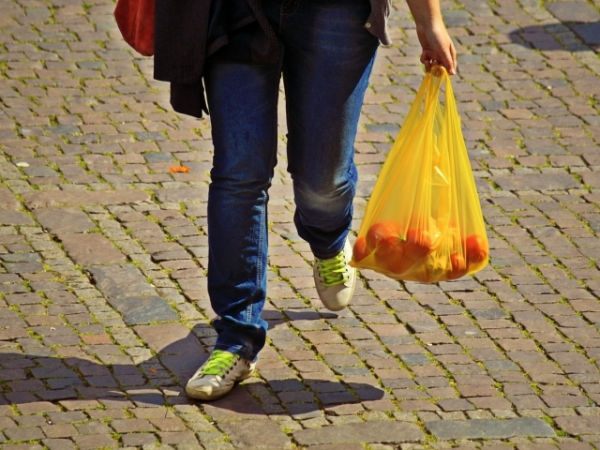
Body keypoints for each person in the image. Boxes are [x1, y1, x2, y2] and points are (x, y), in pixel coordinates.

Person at [154, 0, 457, 401]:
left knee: (322, 181)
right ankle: (235, 339)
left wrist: (429, 19)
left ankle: (329, 239)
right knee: (238, 173)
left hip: (336, 12)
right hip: (235, 8)